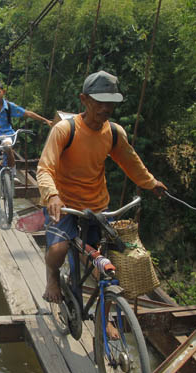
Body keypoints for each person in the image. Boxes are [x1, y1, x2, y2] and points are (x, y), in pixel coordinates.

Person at [37, 70, 167, 308]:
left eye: (111, 103)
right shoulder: (65, 130)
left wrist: (150, 183)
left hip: (97, 207)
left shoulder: (115, 133)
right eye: (100, 102)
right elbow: (45, 168)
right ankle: (53, 277)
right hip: (64, 204)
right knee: (58, 249)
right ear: (84, 99)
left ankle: (105, 320)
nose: (106, 108)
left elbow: (130, 161)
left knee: (104, 266)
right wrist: (52, 195)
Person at [0, 80, 52, 187]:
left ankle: (13, 173)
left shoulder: (10, 106)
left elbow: (27, 113)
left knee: (9, 149)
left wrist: (45, 120)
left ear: (3, 92)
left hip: (7, 134)